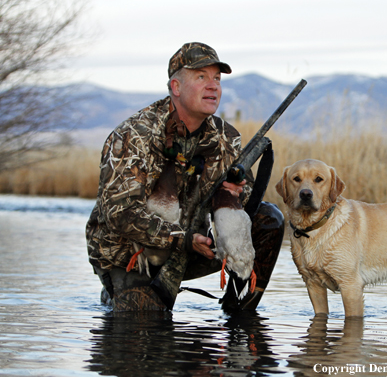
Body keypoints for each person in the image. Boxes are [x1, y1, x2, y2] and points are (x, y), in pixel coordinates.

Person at [86, 42, 284, 313]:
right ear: (176, 88)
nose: (213, 86)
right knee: (144, 316)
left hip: (193, 246)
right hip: (129, 255)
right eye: (201, 77)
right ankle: (120, 290)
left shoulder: (226, 137)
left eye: (216, 78)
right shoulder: (133, 136)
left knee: (269, 220)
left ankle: (239, 314)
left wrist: (231, 195)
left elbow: (246, 193)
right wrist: (183, 239)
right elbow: (120, 214)